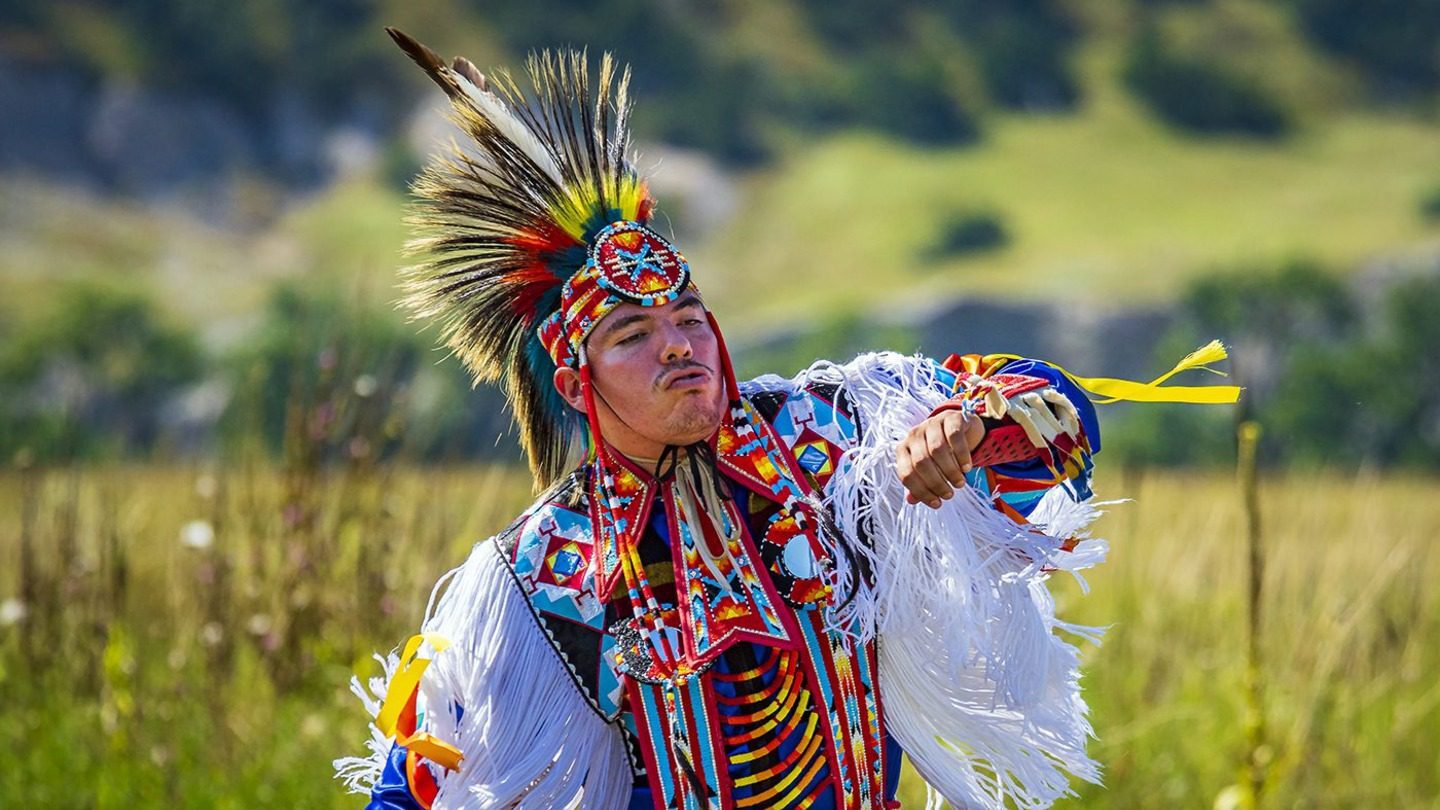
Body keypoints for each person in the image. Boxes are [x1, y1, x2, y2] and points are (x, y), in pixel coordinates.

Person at [335, 30, 1239, 810]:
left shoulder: (835, 434)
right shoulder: (543, 572)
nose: (680, 346)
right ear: (576, 382)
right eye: (634, 335)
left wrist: (968, 424)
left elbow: (1063, 418)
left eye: (691, 318)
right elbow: (423, 772)